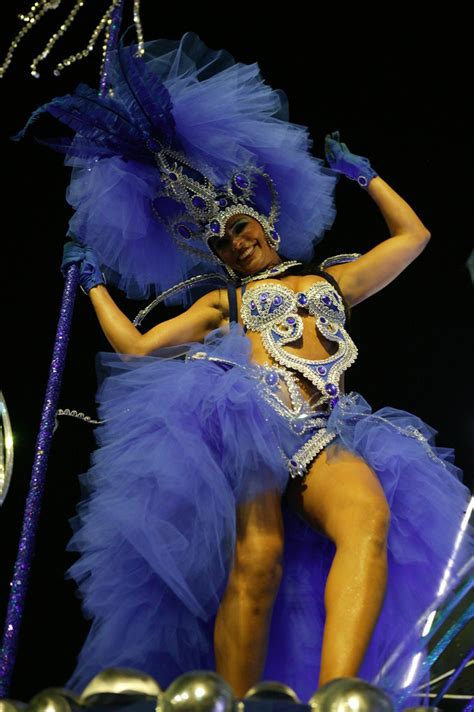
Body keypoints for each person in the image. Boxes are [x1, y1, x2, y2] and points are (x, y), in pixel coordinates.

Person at [20, 31, 473, 705]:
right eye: (223, 240)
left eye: (240, 225)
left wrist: (367, 177)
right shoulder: (222, 300)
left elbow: (414, 238)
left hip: (326, 433)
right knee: (257, 563)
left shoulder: (332, 279)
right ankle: (231, 698)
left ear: (264, 221)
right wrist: (91, 285)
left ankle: (341, 695)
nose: (236, 240)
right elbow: (138, 348)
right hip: (253, 431)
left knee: (367, 523)